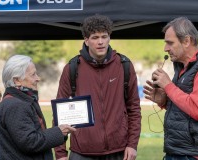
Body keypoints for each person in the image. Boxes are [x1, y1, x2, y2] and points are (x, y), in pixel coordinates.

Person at [54, 14, 141, 160]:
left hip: (118, 151)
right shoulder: (72, 68)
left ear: (109, 38)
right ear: (86, 40)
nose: (100, 42)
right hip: (82, 152)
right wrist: (61, 154)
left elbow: (134, 108)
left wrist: (132, 144)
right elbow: (59, 113)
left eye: (104, 36)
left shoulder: (124, 65)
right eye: (95, 37)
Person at [143, 17, 198, 160]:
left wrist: (168, 86)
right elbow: (185, 106)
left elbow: (197, 110)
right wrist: (165, 102)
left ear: (187, 41)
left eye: (170, 43)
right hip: (178, 152)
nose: (165, 48)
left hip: (195, 155)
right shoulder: (182, 67)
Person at [0, 55, 76, 160]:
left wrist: (60, 132)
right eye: (33, 75)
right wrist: (59, 132)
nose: (38, 78)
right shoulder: (15, 105)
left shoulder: (21, 100)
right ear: (17, 80)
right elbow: (30, 142)